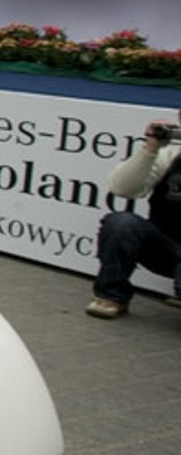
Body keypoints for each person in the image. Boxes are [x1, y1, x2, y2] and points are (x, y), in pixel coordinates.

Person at [85, 112, 181, 319]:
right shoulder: (172, 153)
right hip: (167, 248)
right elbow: (122, 188)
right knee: (121, 223)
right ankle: (111, 297)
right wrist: (151, 148)